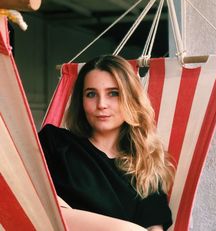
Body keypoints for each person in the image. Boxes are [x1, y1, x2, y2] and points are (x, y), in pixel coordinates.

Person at [39, 55, 175, 230]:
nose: (101, 104)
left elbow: (154, 228)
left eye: (113, 93)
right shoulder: (55, 143)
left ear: (130, 98)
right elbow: (37, 203)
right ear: (81, 101)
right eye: (91, 94)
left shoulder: (145, 166)